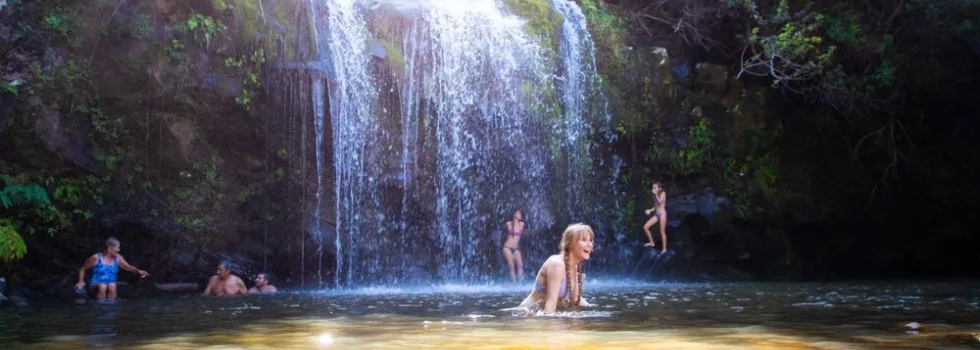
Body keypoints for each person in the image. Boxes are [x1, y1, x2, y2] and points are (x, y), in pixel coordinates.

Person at [517, 223, 594, 313]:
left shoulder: (575, 267)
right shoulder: (556, 265)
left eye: (591, 240)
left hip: (542, 314)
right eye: (584, 240)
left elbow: (575, 301)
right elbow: (550, 305)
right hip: (527, 315)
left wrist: (594, 309)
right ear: (571, 244)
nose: (590, 244)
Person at [74, 237, 149, 300]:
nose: (119, 250)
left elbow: (128, 267)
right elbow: (82, 269)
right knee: (103, 286)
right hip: (96, 284)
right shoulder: (96, 257)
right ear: (109, 248)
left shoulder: (118, 257)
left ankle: (110, 308)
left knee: (112, 285)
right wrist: (80, 281)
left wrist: (138, 271)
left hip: (111, 284)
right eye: (117, 247)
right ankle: (100, 307)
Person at [642, 182, 668, 253]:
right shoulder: (654, 196)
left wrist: (656, 195)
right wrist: (650, 210)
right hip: (657, 214)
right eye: (653, 188)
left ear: (659, 188)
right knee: (645, 227)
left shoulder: (663, 194)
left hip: (662, 214)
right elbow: (656, 206)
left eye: (655, 188)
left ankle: (664, 249)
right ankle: (651, 242)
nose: (653, 189)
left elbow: (660, 202)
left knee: (662, 231)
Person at [502, 209, 526, 282]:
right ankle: (514, 284)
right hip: (507, 247)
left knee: (520, 266)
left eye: (520, 214)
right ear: (514, 214)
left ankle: (519, 283)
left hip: (516, 249)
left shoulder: (522, 224)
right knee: (511, 266)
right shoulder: (508, 224)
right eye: (518, 213)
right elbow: (503, 233)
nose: (520, 215)